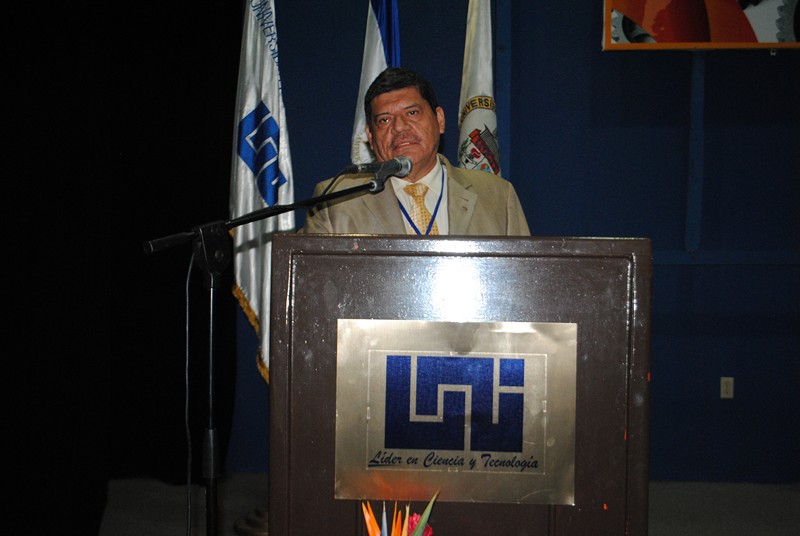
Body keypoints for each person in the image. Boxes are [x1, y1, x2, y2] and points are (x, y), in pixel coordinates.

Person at [301, 67, 530, 236]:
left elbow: (526, 279)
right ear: (370, 136)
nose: (399, 127)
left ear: (439, 120)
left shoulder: (498, 196)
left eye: (412, 113)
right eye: (384, 120)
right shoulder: (336, 202)